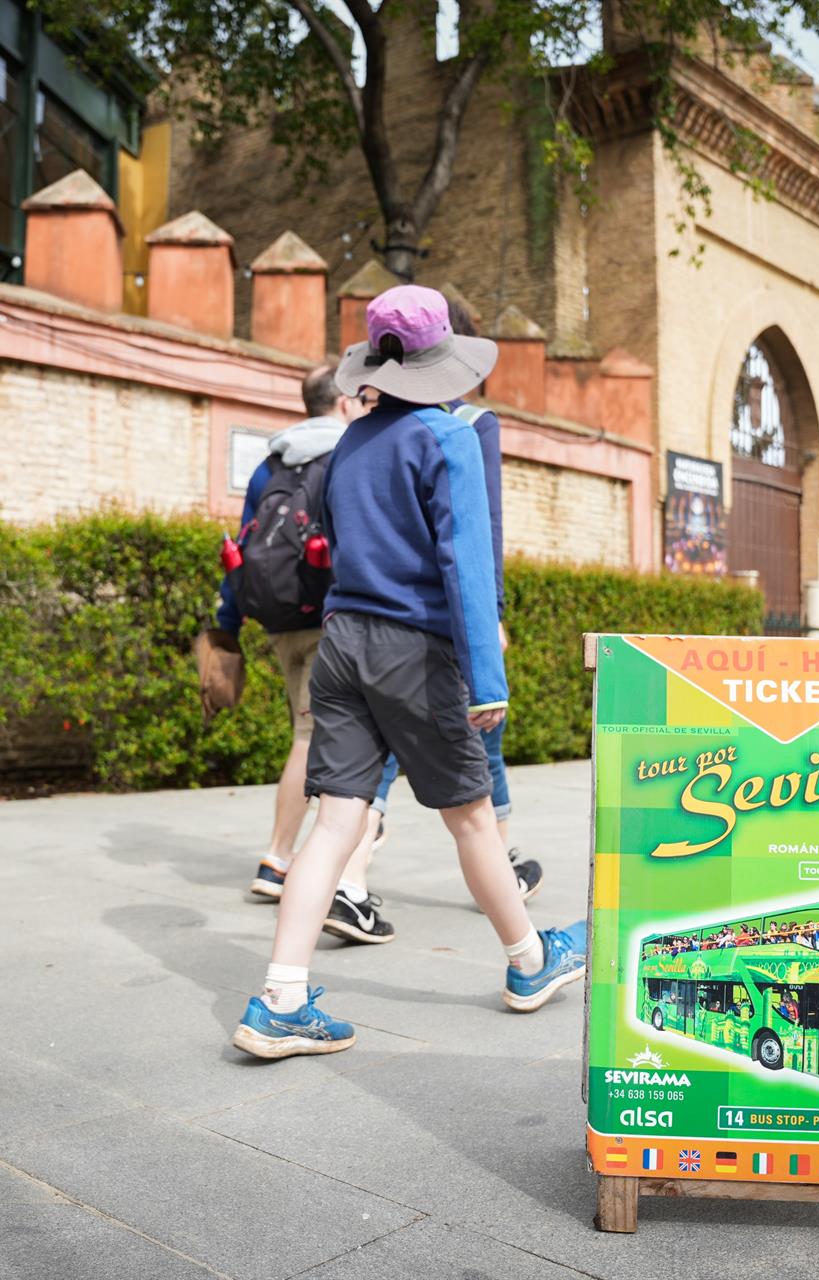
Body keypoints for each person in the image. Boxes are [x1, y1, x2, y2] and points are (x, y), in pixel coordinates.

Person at [229, 285, 586, 1060]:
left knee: (335, 822)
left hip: (343, 642)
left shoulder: (349, 441)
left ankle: (281, 998)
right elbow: (464, 562)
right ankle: (531, 961)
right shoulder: (446, 438)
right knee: (473, 816)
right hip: (413, 650)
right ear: (443, 357)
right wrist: (487, 679)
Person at [368, 300, 543, 909]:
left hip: (361, 627)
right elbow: (478, 535)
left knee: (369, 767)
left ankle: (349, 877)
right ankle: (503, 889)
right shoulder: (468, 425)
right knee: (480, 751)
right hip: (437, 624)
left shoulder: (370, 428)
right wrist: (491, 616)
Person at [217, 366, 386, 943]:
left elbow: (243, 541)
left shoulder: (273, 460)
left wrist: (228, 620)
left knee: (302, 735)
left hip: (277, 620)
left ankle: (280, 858)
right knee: (317, 742)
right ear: (343, 402)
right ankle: (286, 861)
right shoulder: (345, 452)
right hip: (327, 617)